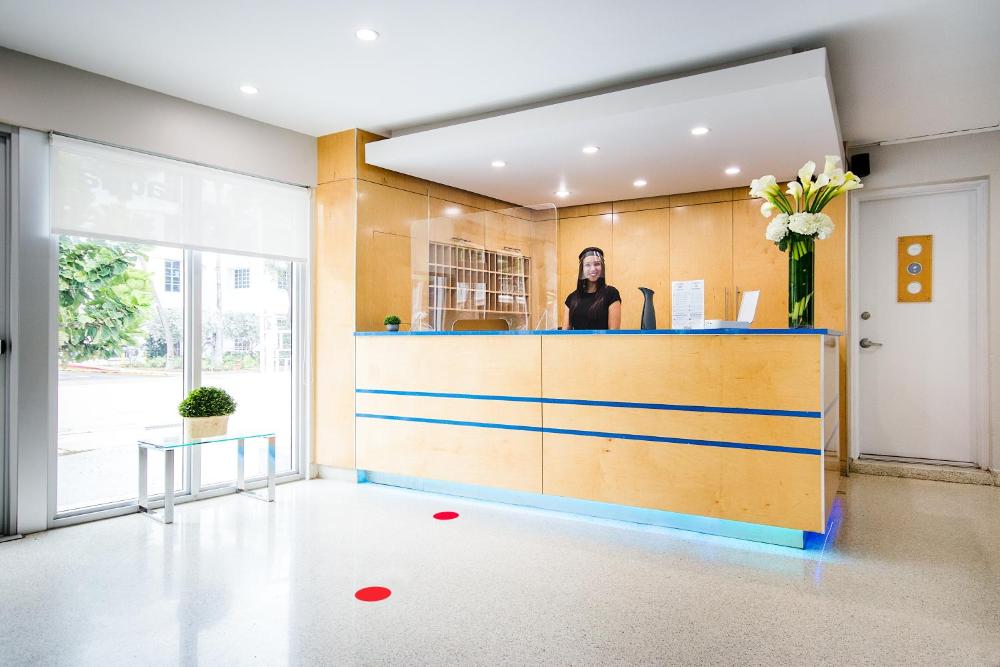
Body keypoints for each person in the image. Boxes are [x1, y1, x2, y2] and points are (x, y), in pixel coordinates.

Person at [563, 246, 621, 330]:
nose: (593, 269)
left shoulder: (611, 294)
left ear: (602, 267)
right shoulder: (572, 298)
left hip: (603, 339)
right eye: (587, 265)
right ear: (582, 269)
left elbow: (613, 333)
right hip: (576, 340)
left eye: (597, 264)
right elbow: (565, 333)